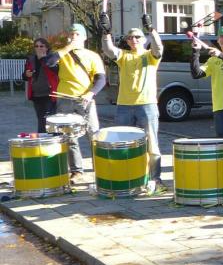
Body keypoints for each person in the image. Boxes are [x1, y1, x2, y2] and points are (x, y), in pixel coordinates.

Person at [100, 12, 165, 190]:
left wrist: (151, 29)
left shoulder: (150, 56)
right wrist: (106, 32)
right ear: (127, 41)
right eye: (130, 37)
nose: (134, 39)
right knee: (123, 143)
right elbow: (108, 50)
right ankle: (127, 178)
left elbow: (159, 48)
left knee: (152, 144)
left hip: (147, 105)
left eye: (137, 37)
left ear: (144, 40)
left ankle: (156, 179)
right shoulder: (124, 56)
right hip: (124, 106)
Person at [45, 23, 107, 184]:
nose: (73, 37)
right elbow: (49, 62)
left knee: (93, 134)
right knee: (69, 136)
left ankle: (101, 169)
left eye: (77, 34)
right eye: (71, 34)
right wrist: (67, 48)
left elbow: (101, 79)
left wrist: (91, 93)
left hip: (84, 99)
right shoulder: (61, 53)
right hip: (64, 99)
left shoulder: (93, 55)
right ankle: (76, 171)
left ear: (85, 37)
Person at [22, 38, 59, 133]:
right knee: (41, 120)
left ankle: (51, 138)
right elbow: (24, 76)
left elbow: (56, 72)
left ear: (47, 48)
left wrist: (43, 58)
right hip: (36, 95)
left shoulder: (52, 58)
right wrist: (26, 74)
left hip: (49, 94)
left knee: (49, 120)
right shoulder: (30, 59)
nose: (39, 48)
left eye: (41, 46)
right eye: (36, 46)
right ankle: (42, 139)